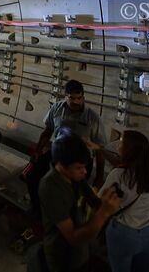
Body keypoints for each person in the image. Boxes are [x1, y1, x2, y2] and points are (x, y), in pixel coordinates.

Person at [38, 132, 121, 272]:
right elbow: (73, 237)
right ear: (61, 165)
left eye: (84, 166)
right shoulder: (51, 188)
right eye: (78, 167)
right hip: (62, 257)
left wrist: (106, 202)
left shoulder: (75, 178)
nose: (84, 172)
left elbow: (93, 201)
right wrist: (104, 213)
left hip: (81, 251)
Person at [29, 80, 107, 215]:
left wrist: (99, 177)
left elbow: (100, 149)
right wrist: (37, 151)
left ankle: (68, 218)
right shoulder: (57, 109)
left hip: (80, 160)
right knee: (32, 176)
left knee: (72, 193)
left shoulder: (92, 118)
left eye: (79, 98)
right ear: (65, 96)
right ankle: (38, 210)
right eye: (72, 98)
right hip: (58, 154)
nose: (76, 101)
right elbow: (47, 131)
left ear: (83, 97)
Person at [92, 131, 149, 272]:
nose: (118, 146)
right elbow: (122, 165)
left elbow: (99, 201)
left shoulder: (117, 175)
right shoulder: (147, 173)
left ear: (129, 150)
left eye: (122, 143)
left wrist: (94, 190)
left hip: (125, 234)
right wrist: (100, 150)